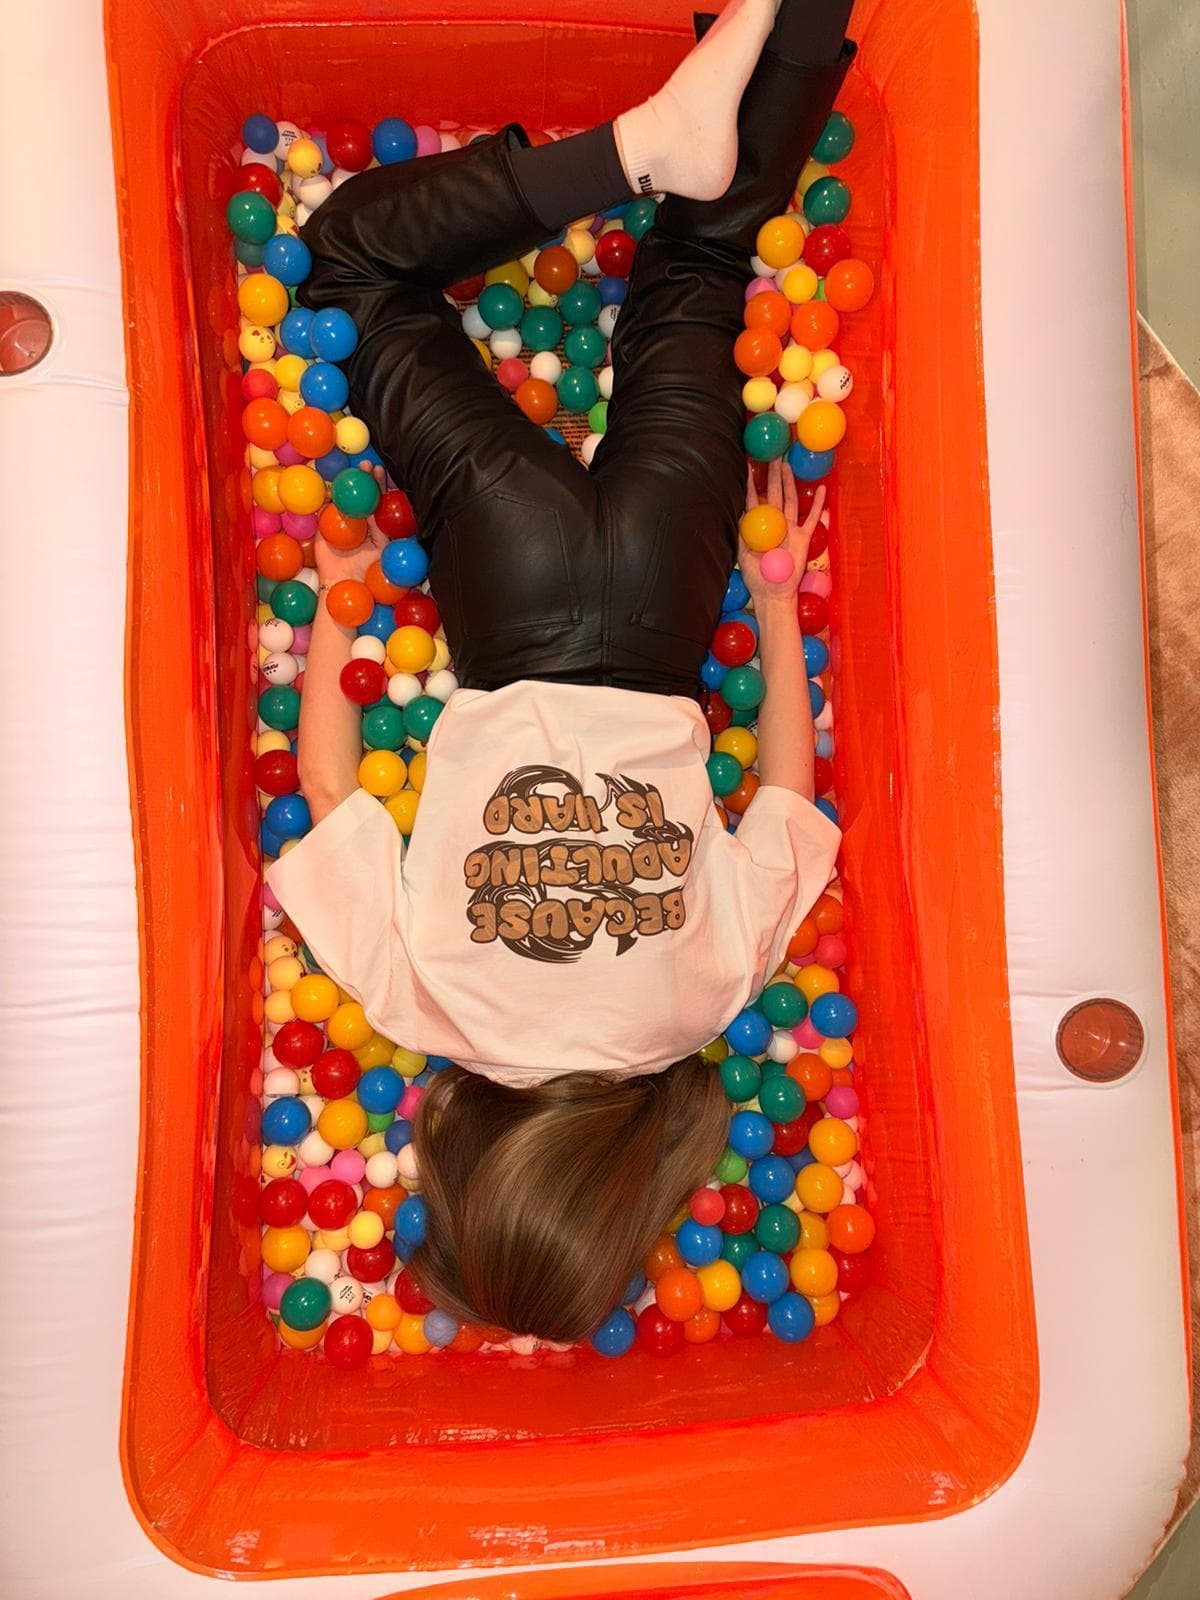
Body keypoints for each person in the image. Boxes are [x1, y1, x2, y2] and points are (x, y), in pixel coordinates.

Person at [267, 0, 857, 1343]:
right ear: (464, 1168)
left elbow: (785, 797)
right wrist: (341, 600)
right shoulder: (422, 1006)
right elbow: (329, 786)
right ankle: (638, 142)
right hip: (512, 581)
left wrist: (768, 601)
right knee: (344, 269)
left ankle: (793, 30)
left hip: (660, 602)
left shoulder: (702, 1001)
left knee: (698, 279)